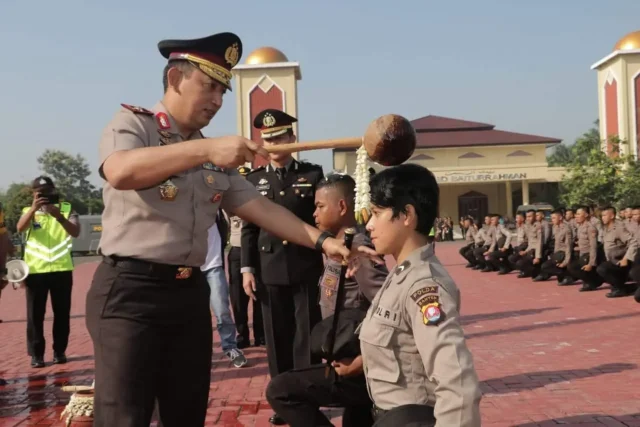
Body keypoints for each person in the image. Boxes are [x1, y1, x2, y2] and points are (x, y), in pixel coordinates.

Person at [87, 32, 360, 427]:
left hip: (187, 294)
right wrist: (205, 150)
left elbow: (259, 207)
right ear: (176, 79)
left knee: (186, 413)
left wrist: (322, 240)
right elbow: (121, 171)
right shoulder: (134, 124)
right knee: (123, 417)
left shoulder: (215, 157)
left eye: (223, 91)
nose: (217, 100)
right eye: (209, 87)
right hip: (130, 294)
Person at [354, 164, 481, 426]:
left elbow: (456, 381)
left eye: (377, 213)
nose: (369, 224)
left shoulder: (425, 286)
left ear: (407, 215)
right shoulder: (402, 272)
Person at [266, 174, 388, 427]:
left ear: (342, 207)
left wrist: (362, 360)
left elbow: (390, 312)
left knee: (282, 390)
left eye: (320, 206)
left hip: (359, 365)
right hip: (346, 355)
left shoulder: (359, 252)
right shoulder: (339, 247)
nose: (314, 214)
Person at [241, 109, 326, 425]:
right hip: (269, 267)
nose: (274, 145)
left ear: (292, 138)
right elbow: (249, 229)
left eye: (280, 138)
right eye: (268, 140)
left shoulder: (312, 175)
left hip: (305, 266)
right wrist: (246, 269)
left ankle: (306, 398)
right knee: (276, 336)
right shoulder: (253, 180)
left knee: (306, 334)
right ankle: (282, 400)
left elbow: (321, 219)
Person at [16, 176, 80, 368]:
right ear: (33, 193)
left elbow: (75, 232)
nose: (45, 196)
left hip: (62, 270)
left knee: (62, 313)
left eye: (48, 191)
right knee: (35, 315)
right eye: (40, 193)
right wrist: (34, 209)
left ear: (54, 190)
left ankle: (59, 351)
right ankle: (37, 355)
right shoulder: (28, 212)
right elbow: (20, 227)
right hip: (36, 271)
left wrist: (59, 216)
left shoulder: (67, 209)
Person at [201, 210, 248, 368]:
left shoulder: (216, 209)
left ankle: (230, 347)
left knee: (222, 310)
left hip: (213, 266)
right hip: (192, 268)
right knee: (195, 314)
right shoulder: (185, 210)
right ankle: (200, 350)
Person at [228, 166, 264, 348]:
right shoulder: (229, 200)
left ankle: (260, 335)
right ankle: (242, 335)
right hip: (236, 249)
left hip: (254, 250)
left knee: (258, 293)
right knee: (237, 297)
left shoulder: (255, 199)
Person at [596, 206, 637, 298]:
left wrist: (626, 259)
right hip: (613, 260)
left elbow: (633, 242)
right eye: (602, 216)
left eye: (605, 215)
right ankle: (624, 288)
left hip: (622, 261)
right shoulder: (606, 228)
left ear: (612, 216)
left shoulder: (619, 228)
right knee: (603, 269)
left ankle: (621, 288)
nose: (603, 218)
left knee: (602, 269)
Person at [567, 206, 603, 292]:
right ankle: (590, 281)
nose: (576, 216)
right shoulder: (580, 227)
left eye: (579, 214)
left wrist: (591, 263)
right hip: (582, 254)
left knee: (582, 264)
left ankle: (592, 282)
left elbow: (593, 246)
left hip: (589, 255)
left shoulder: (590, 228)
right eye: (576, 214)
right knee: (572, 267)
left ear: (586, 215)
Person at [533, 209, 573, 284]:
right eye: (551, 218)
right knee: (559, 280)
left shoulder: (566, 229)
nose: (552, 220)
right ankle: (564, 274)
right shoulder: (555, 227)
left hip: (563, 253)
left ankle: (568, 274)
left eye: (554, 218)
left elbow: (568, 246)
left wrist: (566, 261)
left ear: (560, 218)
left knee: (545, 266)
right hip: (557, 252)